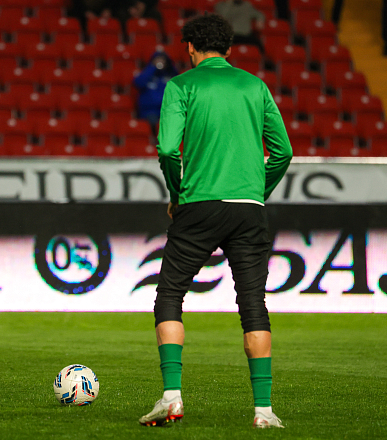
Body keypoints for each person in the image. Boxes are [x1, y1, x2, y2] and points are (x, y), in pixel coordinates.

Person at [138, 14, 292, 428]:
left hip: (198, 205)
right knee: (253, 304)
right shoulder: (255, 86)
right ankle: (264, 411)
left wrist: (177, 194)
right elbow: (283, 152)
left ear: (189, 48)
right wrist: (256, 191)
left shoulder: (181, 86)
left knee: (170, 295)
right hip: (249, 208)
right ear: (230, 49)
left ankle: (172, 397)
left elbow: (168, 149)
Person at [133, 50, 179, 134]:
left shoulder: (170, 75)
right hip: (150, 111)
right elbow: (138, 83)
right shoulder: (147, 74)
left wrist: (169, 66)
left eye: (163, 59)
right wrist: (152, 67)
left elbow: (179, 81)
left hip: (167, 111)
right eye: (157, 59)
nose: (160, 61)